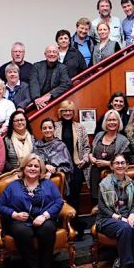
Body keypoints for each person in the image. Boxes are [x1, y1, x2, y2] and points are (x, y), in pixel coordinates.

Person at [0, 153, 64, 268]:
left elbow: (59, 202)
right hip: (19, 221)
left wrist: (45, 216)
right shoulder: (13, 186)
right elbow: (0, 206)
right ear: (23, 168)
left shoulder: (48, 184)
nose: (33, 168)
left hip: (44, 219)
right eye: (29, 166)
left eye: (36, 166)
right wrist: (14, 214)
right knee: (23, 232)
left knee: (47, 229)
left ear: (41, 169)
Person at [95, 154, 134, 268]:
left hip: (126, 217)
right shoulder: (104, 184)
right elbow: (102, 207)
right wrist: (120, 218)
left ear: (127, 165)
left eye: (123, 163)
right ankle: (126, 267)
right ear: (112, 166)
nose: (120, 165)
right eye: (117, 163)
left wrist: (131, 215)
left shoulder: (133, 184)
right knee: (125, 228)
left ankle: (119, 261)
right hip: (107, 219)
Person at [54, 100, 91, 236]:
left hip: (76, 167)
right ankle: (63, 226)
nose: (67, 113)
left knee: (75, 198)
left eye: (70, 110)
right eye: (65, 110)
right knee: (62, 197)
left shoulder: (80, 127)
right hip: (61, 169)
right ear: (60, 112)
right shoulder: (55, 126)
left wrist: (84, 159)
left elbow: (87, 147)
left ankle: (75, 227)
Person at [89, 109, 129, 203]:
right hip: (95, 176)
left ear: (119, 122)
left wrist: (108, 163)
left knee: (110, 203)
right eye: (109, 120)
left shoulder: (123, 140)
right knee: (95, 203)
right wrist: (90, 157)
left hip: (113, 178)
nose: (112, 122)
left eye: (114, 120)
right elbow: (91, 151)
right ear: (105, 122)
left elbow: (126, 161)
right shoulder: (99, 135)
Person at [29, 44, 72, 109]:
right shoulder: (36, 66)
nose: (52, 54)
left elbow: (66, 84)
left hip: (54, 101)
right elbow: (33, 83)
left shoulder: (62, 68)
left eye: (54, 52)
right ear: (45, 54)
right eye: (49, 52)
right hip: (37, 102)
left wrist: (50, 95)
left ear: (58, 55)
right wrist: (36, 98)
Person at [33, 118, 73, 185]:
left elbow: (68, 167)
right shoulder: (36, 146)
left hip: (57, 181)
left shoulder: (61, 146)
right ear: (41, 130)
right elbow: (32, 164)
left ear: (54, 129)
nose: (47, 130)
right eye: (44, 128)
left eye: (50, 128)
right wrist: (45, 166)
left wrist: (54, 170)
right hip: (38, 181)